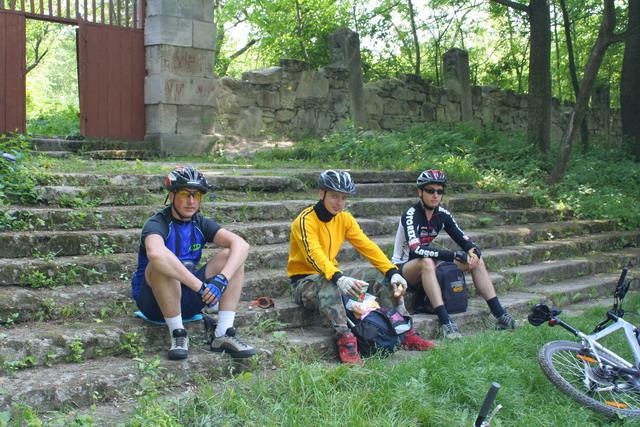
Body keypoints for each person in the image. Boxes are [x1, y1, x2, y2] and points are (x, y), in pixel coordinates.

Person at [287, 169, 434, 364]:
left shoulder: (344, 218)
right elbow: (314, 255)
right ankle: (346, 342)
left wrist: (392, 271)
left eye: (343, 198)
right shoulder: (304, 221)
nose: (339, 203)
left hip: (333, 275)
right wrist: (338, 277)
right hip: (304, 283)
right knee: (330, 282)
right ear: (321, 193)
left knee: (382, 276)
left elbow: (366, 246)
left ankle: (405, 332)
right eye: (334, 196)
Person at [131, 166, 255, 360]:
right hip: (154, 302)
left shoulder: (199, 222)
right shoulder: (157, 223)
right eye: (184, 194)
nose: (191, 201)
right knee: (160, 261)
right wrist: (201, 287)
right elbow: (155, 253)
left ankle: (223, 334)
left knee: (233, 255)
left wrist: (221, 279)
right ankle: (178, 334)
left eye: (196, 195)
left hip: (189, 298)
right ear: (171, 196)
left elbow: (242, 245)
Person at [391, 169, 517, 339]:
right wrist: (453, 255)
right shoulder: (411, 214)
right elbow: (416, 249)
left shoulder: (442, 214)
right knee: (426, 261)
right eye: (430, 190)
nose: (435, 195)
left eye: (439, 191)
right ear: (420, 192)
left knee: (477, 261)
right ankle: (446, 323)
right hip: (404, 268)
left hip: (428, 265)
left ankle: (500, 314)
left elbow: (466, 242)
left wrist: (473, 252)